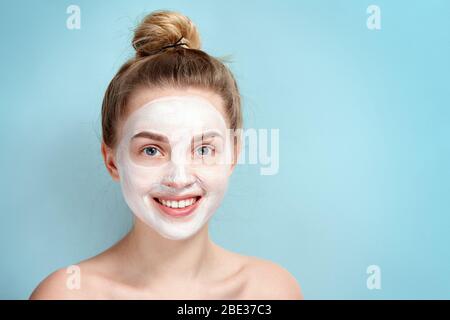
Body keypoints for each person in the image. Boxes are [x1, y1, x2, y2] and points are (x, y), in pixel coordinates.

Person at [30, 10, 303, 299]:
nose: (179, 178)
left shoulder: (270, 291)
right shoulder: (66, 294)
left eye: (203, 149)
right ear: (112, 161)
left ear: (233, 156)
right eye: (151, 150)